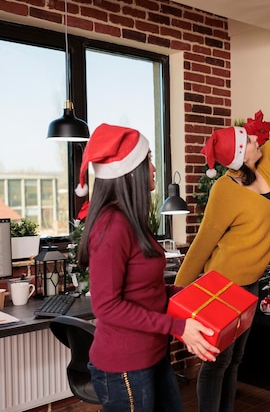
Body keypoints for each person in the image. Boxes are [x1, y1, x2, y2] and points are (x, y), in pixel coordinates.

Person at [174, 66, 270, 412]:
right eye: (252, 140)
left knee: (235, 359)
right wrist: (179, 294)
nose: (259, 139)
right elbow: (204, 242)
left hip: (251, 285)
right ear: (242, 154)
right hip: (221, 286)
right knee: (217, 362)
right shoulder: (224, 191)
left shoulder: (268, 164)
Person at [77, 124, 219, 412]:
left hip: (153, 355)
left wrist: (188, 294)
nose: (154, 168)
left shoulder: (131, 221)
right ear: (131, 171)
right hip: (125, 366)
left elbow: (146, 289)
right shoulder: (111, 227)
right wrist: (177, 325)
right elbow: (107, 306)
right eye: (149, 160)